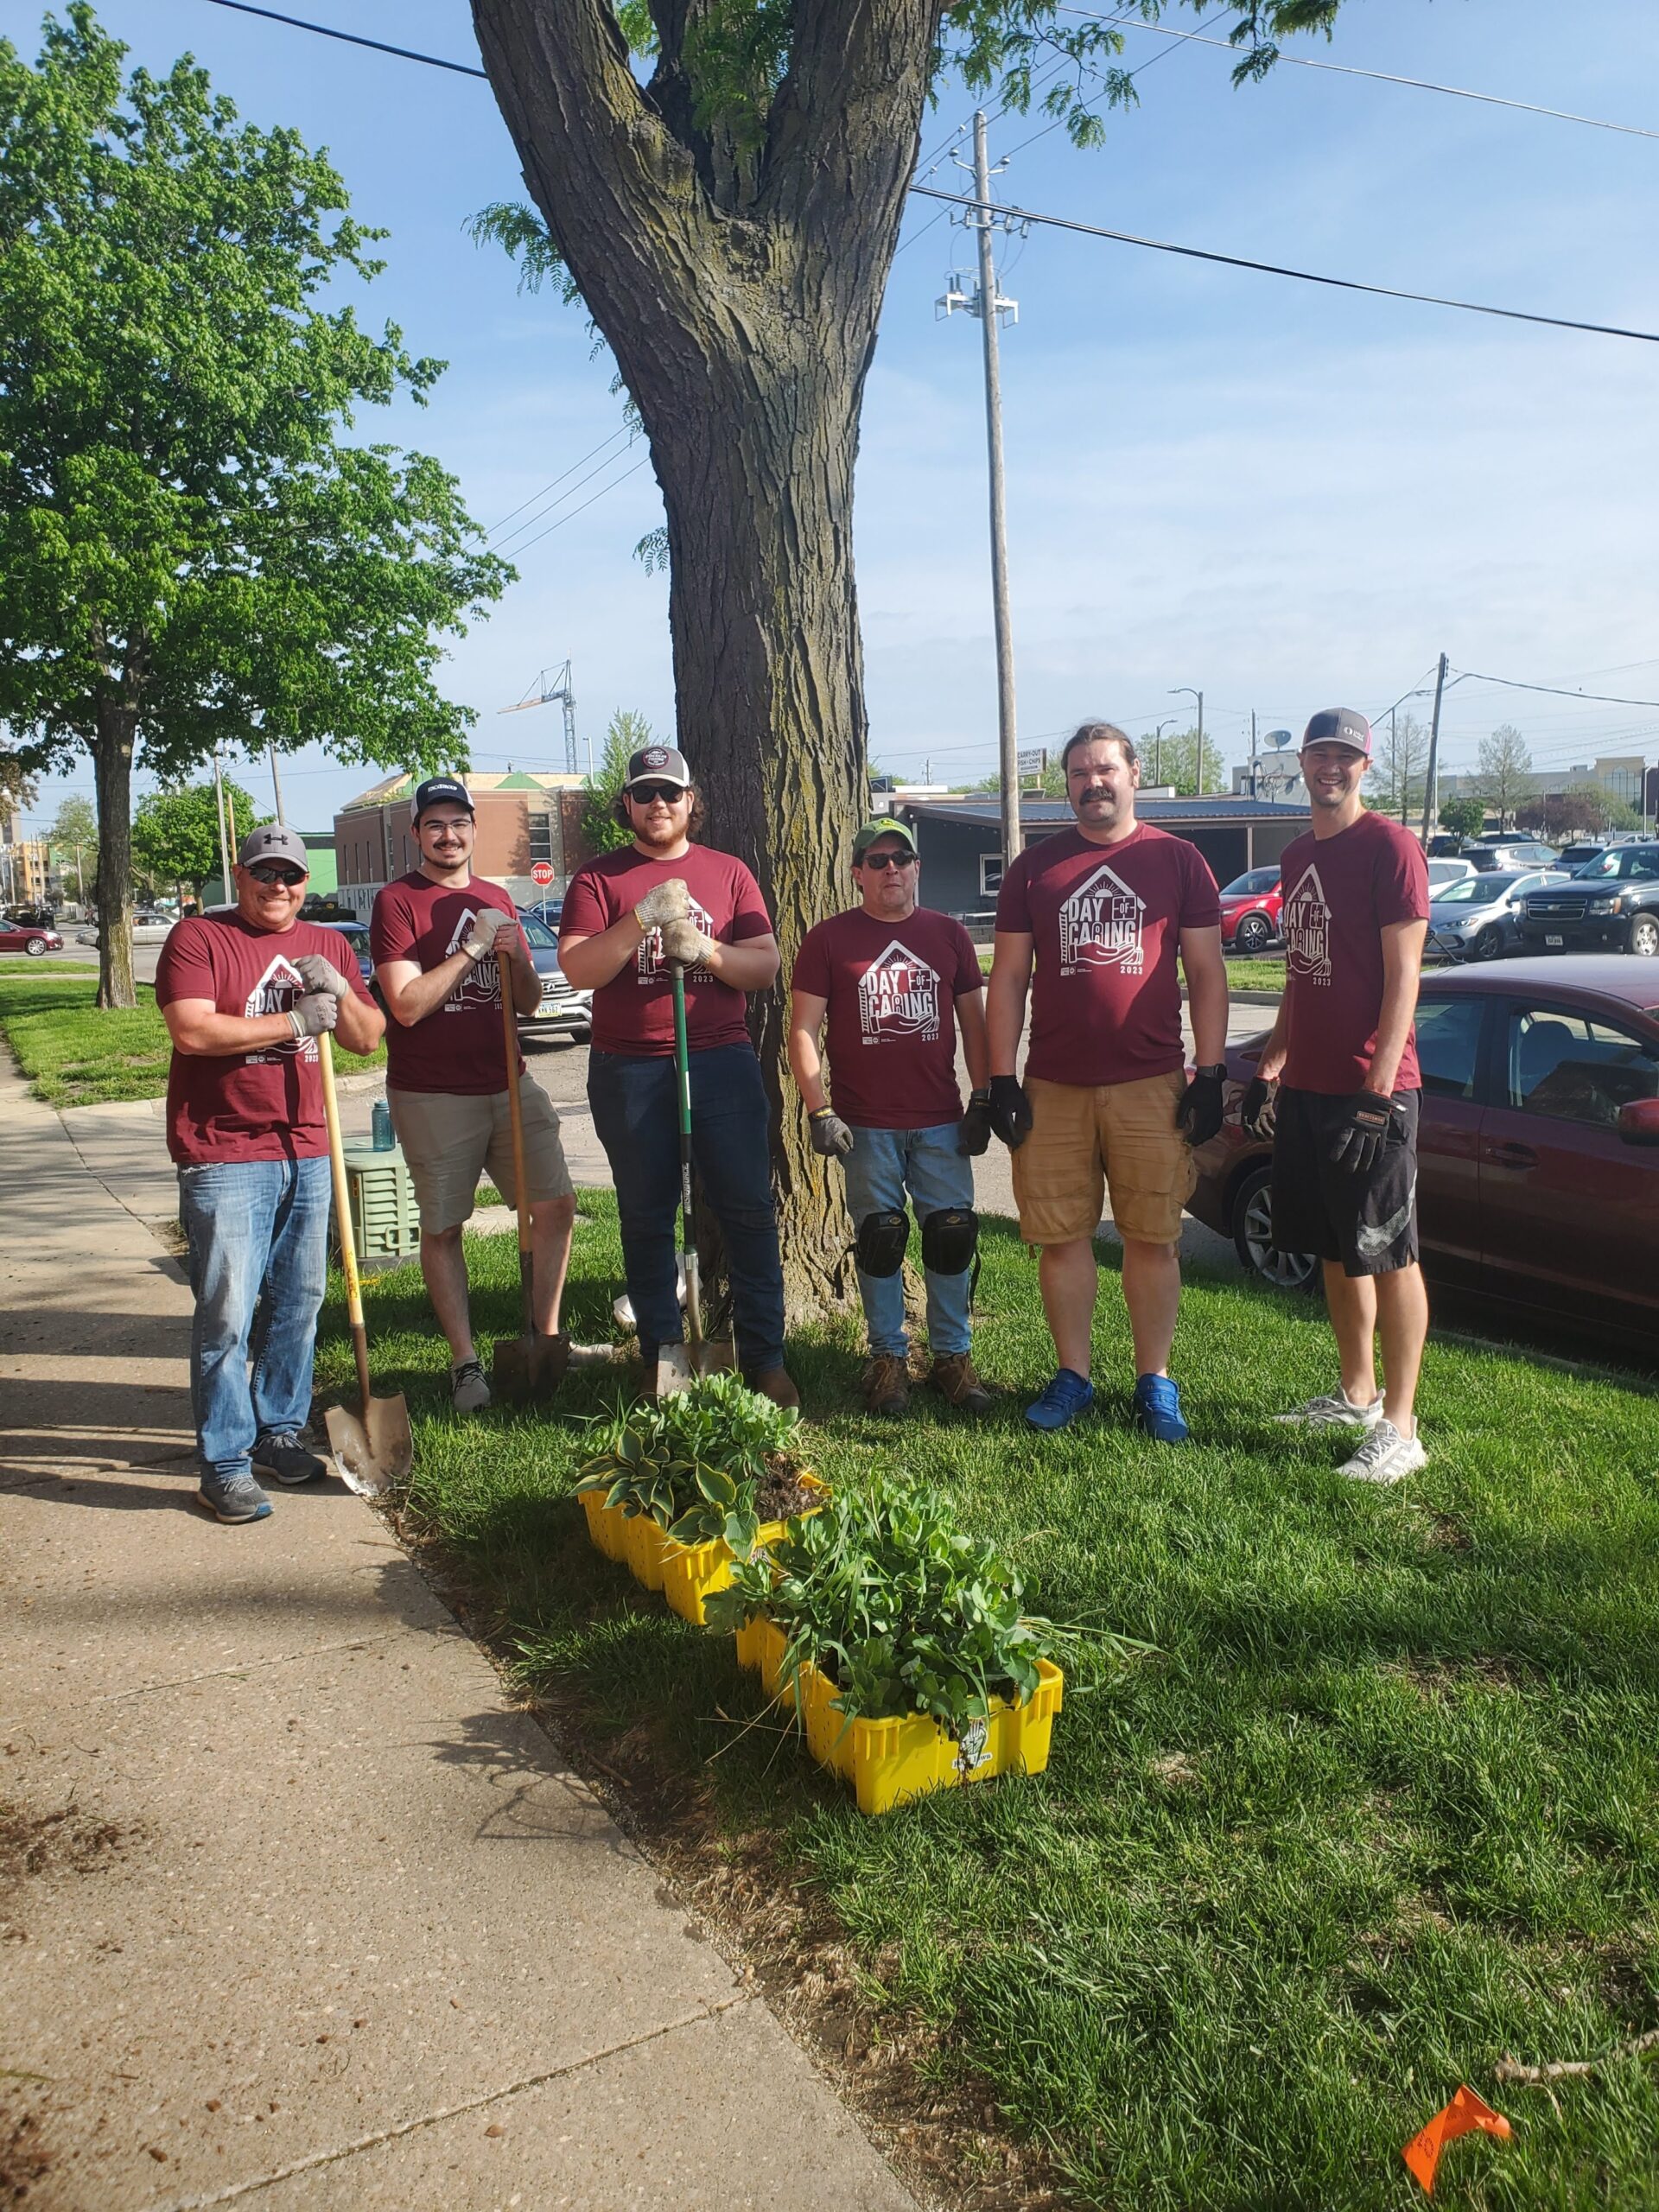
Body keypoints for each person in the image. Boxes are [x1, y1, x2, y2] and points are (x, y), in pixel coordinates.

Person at [985, 722, 1229, 1438]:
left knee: (1152, 1237)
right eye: (1080, 773)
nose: (1094, 782)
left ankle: (1155, 1381)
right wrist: (1001, 1079)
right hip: (1052, 1085)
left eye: (1106, 769)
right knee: (1061, 1237)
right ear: (1067, 786)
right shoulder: (1035, 870)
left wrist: (1210, 1072)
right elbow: (1008, 980)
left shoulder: (1179, 862)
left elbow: (1208, 974)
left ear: (1134, 773)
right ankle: (1075, 1375)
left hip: (1152, 1083)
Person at [156, 823, 385, 1522]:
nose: (278, 886)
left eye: (289, 875)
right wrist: (291, 1024)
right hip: (225, 1154)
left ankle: (278, 1431)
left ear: (304, 883)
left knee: (299, 1304)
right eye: (264, 873)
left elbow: (368, 1037)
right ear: (240, 873)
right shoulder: (199, 938)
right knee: (227, 1312)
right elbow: (193, 1029)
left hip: (308, 1147)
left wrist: (341, 991)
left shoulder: (326, 943)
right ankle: (223, 1463)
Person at [558, 745, 795, 1407]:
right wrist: (642, 920)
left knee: (748, 1208)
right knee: (646, 1213)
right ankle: (661, 1354)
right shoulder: (598, 880)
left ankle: (765, 1357)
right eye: (645, 793)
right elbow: (579, 970)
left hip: (718, 1059)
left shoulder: (729, 873)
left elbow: (765, 966)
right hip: (628, 1067)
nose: (658, 804)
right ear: (626, 804)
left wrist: (707, 949)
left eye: (671, 792)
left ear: (692, 801)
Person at [1242, 707, 1431, 1483]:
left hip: (1372, 1093)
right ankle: (1356, 1394)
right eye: (1319, 754)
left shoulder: (1391, 848)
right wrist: (1272, 1062)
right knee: (1332, 1246)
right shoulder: (1293, 857)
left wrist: (1378, 1090)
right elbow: (1301, 973)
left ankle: (1402, 1425)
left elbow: (1404, 977)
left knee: (1391, 1252)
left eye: (1344, 756)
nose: (1330, 766)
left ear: (1365, 765)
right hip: (1310, 1087)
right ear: (1303, 764)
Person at [371, 775, 576, 1413]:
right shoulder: (397, 902)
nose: (448, 834)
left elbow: (531, 1004)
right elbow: (406, 1006)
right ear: (416, 834)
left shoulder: (496, 896)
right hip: (432, 1093)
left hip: (508, 1080)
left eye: (458, 823)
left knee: (557, 1206)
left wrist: (514, 958)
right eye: (435, 824)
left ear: (473, 830)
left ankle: (544, 1339)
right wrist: (471, 949)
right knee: (444, 1227)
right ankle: (465, 1362)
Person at [789, 817, 995, 1416]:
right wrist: (818, 1108)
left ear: (916, 869)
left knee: (951, 1234)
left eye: (900, 859)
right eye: (875, 861)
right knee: (880, 1240)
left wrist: (982, 1097)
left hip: (940, 1119)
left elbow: (975, 1025)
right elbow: (802, 1029)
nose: (889, 870)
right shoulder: (829, 940)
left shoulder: (948, 936)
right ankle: (887, 1359)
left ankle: (952, 1357)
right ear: (856, 873)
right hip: (865, 1124)